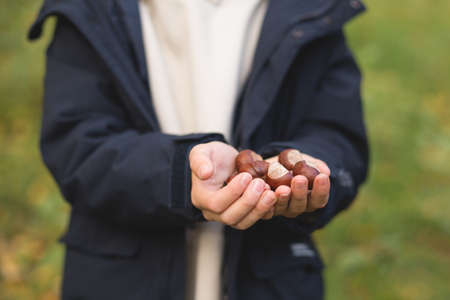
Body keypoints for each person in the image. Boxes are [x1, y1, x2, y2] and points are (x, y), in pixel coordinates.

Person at [29, 0, 369, 299]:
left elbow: (339, 137)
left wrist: (311, 171)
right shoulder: (92, 8)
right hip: (121, 279)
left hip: (269, 279)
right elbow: (77, 145)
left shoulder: (315, 7)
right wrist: (179, 174)